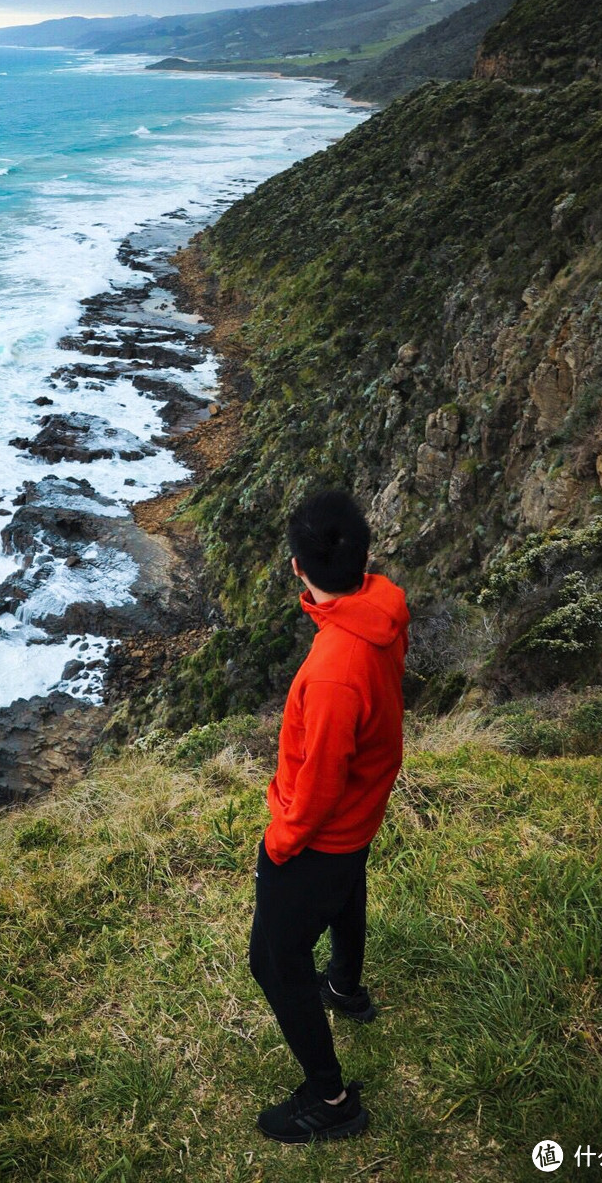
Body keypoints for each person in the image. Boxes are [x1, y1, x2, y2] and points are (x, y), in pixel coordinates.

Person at [249, 488, 410, 1144]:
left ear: (296, 567)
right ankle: (344, 987)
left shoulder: (333, 671)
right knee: (348, 888)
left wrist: (281, 842)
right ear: (365, 555)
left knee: (274, 959)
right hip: (364, 806)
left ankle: (332, 1098)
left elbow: (316, 789)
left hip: (326, 831)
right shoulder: (382, 608)